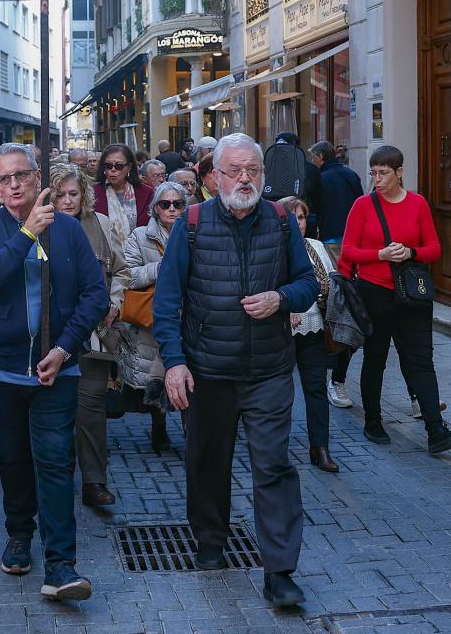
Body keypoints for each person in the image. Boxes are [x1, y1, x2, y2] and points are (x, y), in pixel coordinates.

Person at [152, 134, 316, 609]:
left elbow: (308, 283)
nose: (245, 178)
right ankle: (210, 540)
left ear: (263, 178)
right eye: (235, 170)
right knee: (207, 461)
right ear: (215, 177)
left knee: (274, 466)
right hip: (208, 371)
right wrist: (175, 363)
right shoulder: (193, 223)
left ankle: (280, 571)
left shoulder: (282, 221)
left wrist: (280, 298)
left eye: (253, 171)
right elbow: (166, 302)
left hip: (269, 370)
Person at [0, 144, 108, 601]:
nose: (12, 186)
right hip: (1, 368)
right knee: (13, 458)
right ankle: (19, 533)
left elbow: (94, 295)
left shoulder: (67, 230)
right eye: (2, 179)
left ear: (36, 177)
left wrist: (65, 348)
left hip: (55, 370)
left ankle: (62, 564)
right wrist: (26, 233)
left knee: (53, 459)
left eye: (21, 176)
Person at [339, 146, 451, 455]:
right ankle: (373, 421)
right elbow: (348, 252)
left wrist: (411, 252)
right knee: (376, 357)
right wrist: (380, 255)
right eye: (373, 173)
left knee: (421, 360)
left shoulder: (419, 204)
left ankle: (436, 431)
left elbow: (435, 249)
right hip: (375, 292)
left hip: (412, 295)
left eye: (384, 173)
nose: (377, 179)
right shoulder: (362, 205)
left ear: (399, 173)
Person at [48, 163, 128, 509]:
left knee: (92, 407)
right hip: (52, 334)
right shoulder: (40, 226)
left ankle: (94, 481)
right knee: (58, 409)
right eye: (60, 194)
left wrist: (115, 302)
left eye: (73, 194)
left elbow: (121, 270)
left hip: (96, 333)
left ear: (84, 194)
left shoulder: (102, 225)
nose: (67, 201)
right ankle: (60, 477)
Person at [121, 181, 185, 453]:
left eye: (177, 204)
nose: (171, 209)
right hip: (154, 317)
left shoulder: (196, 232)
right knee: (157, 374)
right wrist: (162, 267)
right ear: (155, 209)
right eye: (165, 204)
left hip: (189, 315)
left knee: (188, 372)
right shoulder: (139, 236)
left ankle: (189, 429)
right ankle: (158, 426)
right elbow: (127, 275)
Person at [276, 196, 339, 473]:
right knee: (278, 390)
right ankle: (275, 448)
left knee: (315, 387)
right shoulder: (270, 248)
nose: (297, 223)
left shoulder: (315, 247)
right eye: (291, 217)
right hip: (278, 331)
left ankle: (320, 447)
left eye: (301, 218)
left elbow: (332, 282)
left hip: (312, 328)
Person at [309, 140, 364, 408]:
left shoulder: (322, 178)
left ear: (320, 157)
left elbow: (317, 208)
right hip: (353, 238)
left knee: (335, 285)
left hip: (330, 236)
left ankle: (337, 320)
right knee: (348, 282)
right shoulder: (352, 174)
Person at [92, 144, 154, 242]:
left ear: (129, 167)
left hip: (139, 251)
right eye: (108, 166)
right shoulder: (93, 193)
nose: (113, 169)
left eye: (118, 166)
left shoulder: (147, 193)